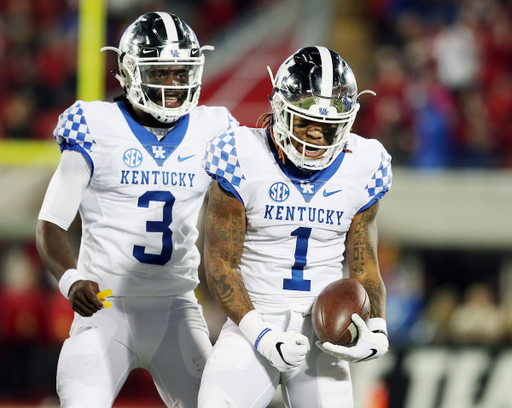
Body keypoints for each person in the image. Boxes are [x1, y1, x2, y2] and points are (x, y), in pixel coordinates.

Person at [35, 12, 238, 408]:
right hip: (106, 308)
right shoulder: (95, 125)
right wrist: (72, 279)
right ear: (130, 71)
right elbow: (51, 223)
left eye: (181, 73)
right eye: (160, 73)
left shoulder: (214, 129)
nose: (173, 85)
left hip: (177, 307)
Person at [198, 46, 392, 408]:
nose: (316, 135)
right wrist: (263, 336)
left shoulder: (365, 164)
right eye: (305, 122)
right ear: (279, 109)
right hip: (252, 323)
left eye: (329, 125)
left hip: (325, 331)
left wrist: (377, 327)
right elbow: (220, 264)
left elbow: (365, 267)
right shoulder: (240, 153)